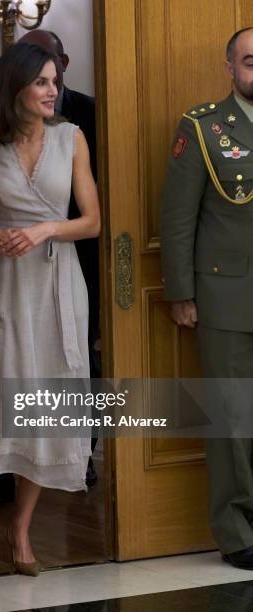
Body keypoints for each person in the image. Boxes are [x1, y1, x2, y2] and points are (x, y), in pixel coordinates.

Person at [0, 42, 100, 576]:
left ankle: (20, 530)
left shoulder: (72, 138)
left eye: (54, 81)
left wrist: (45, 228)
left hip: (61, 281)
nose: (52, 90)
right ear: (13, 86)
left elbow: (92, 221)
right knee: (1, 391)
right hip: (7, 283)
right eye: (40, 82)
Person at [160, 28, 253, 570]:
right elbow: (176, 217)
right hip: (226, 298)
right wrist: (181, 293)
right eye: (249, 61)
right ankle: (236, 531)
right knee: (234, 420)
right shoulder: (202, 128)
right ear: (230, 68)